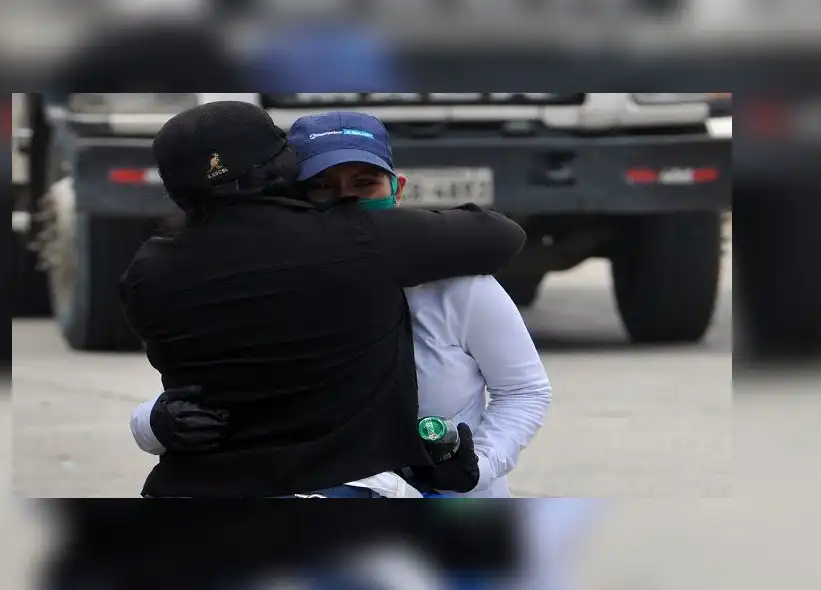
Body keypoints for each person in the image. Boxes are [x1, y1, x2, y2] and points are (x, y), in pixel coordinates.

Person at [131, 111, 550, 498]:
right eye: (322, 187)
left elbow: (524, 390)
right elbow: (235, 386)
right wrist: (156, 421)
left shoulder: (458, 285)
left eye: (364, 183)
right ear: (290, 190)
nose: (346, 201)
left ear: (398, 189)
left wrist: (481, 464)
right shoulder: (327, 252)